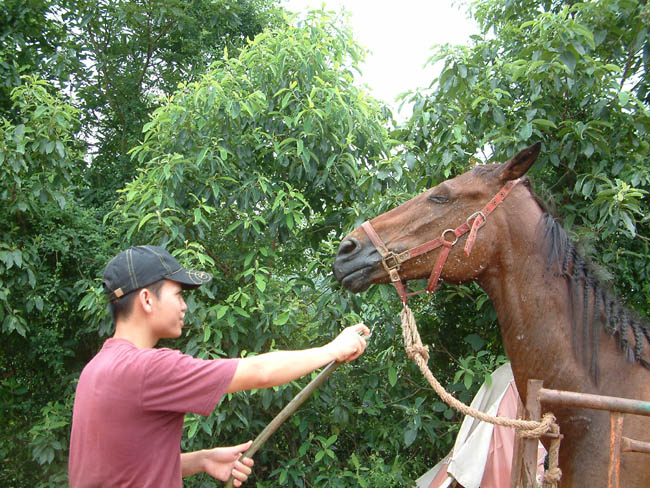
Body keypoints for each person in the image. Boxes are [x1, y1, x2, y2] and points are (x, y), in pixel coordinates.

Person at [69, 245, 370, 487]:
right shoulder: (146, 368)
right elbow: (259, 372)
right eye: (178, 294)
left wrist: (201, 460)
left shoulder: (96, 370)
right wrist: (332, 349)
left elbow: (124, 467)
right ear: (147, 300)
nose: (184, 305)